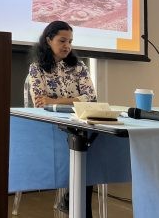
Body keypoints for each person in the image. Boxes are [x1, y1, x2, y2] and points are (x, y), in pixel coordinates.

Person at [28, 20, 96, 218]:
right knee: (85, 148)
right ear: (49, 40)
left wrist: (57, 99)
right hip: (52, 127)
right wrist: (73, 100)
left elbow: (91, 98)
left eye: (70, 41)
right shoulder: (37, 68)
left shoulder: (79, 67)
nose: (67, 46)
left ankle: (74, 201)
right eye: (62, 40)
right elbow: (40, 103)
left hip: (79, 123)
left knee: (91, 145)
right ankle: (77, 205)